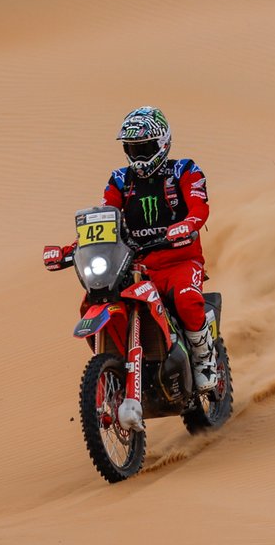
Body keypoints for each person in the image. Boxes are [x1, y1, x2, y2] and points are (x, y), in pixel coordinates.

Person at [44, 106, 217, 391]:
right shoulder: (120, 180)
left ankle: (204, 358)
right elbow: (104, 220)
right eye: (132, 149)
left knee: (187, 300)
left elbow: (200, 207)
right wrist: (70, 250)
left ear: (162, 144)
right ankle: (114, 365)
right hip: (135, 266)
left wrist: (187, 225)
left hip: (179, 260)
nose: (138, 156)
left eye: (144, 148)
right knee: (91, 302)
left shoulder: (185, 170)